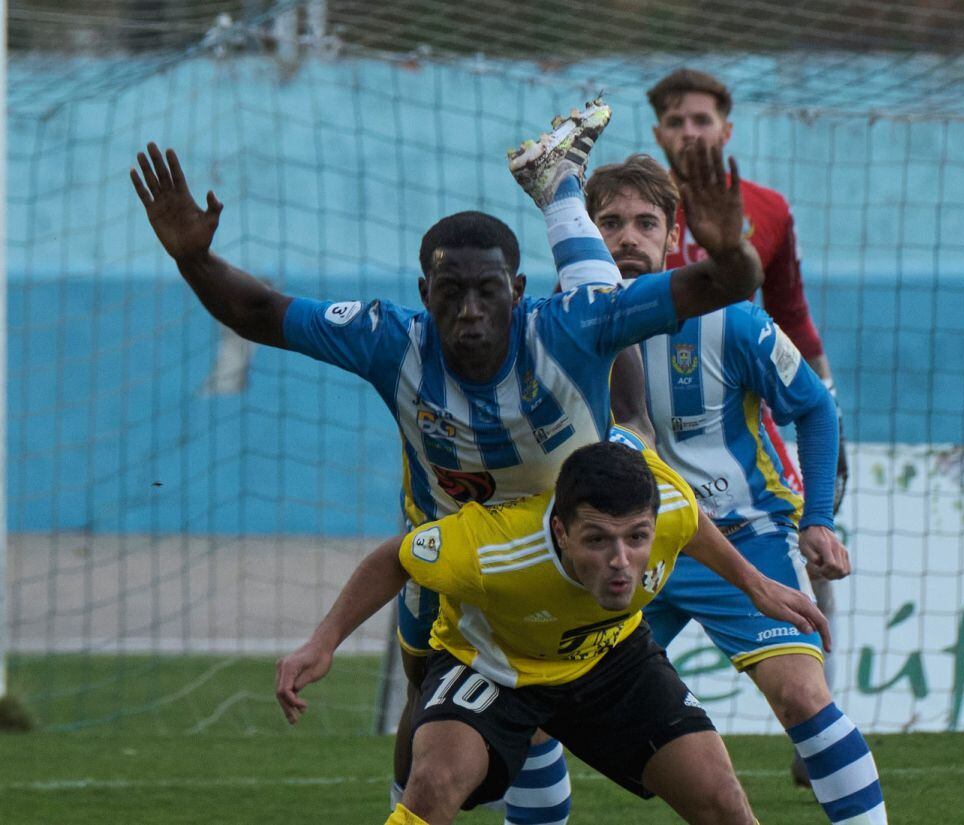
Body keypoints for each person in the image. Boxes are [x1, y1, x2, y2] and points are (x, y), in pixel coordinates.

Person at [129, 99, 761, 825]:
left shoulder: (568, 327)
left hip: (574, 568)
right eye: (450, 292)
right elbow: (260, 313)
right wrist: (194, 258)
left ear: (517, 293)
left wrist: (730, 248)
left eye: (487, 290)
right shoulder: (389, 341)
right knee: (422, 768)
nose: (468, 310)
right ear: (423, 292)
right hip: (454, 566)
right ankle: (558, 180)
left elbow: (722, 285)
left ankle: (560, 185)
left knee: (608, 325)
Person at [276, 440, 830, 825]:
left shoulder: (670, 510)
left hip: (611, 658)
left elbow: (688, 522)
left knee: (722, 801)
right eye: (598, 541)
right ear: (561, 531)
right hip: (492, 665)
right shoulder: (494, 548)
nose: (621, 562)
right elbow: (392, 560)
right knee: (434, 786)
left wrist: (756, 585)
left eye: (636, 538)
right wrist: (322, 641)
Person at [581, 152, 887, 824]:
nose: (626, 236)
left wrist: (818, 518)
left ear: (671, 235)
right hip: (625, 555)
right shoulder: (560, 327)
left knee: (803, 698)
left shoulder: (731, 321)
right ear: (584, 231)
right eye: (609, 222)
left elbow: (816, 406)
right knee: (536, 709)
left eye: (644, 222)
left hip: (742, 537)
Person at [647, 68, 851, 787]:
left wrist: (825, 399)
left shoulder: (765, 209)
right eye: (676, 121)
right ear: (658, 133)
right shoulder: (623, 218)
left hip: (737, 465)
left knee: (805, 595)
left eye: (703, 120)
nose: (690, 132)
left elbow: (789, 311)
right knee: (549, 692)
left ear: (726, 129)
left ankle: (818, 718)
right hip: (638, 501)